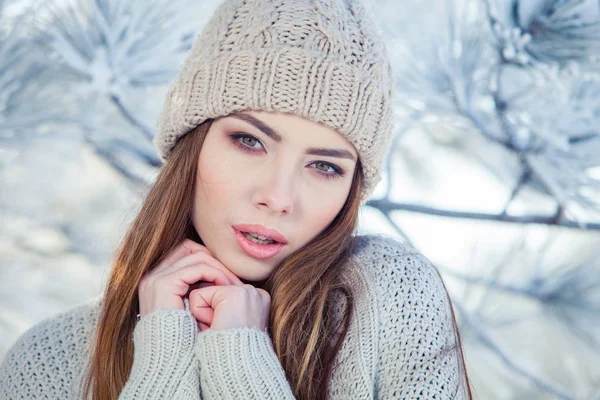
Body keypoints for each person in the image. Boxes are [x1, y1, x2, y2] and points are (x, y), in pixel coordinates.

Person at [0, 0, 474, 399]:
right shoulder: (49, 361)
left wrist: (241, 357)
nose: (277, 197)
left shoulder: (388, 294)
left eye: (325, 166)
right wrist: (163, 350)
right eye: (249, 142)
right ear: (193, 142)